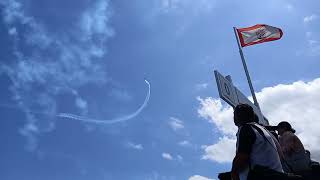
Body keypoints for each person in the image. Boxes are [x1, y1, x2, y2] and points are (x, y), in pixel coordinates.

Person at [231, 104, 284, 180]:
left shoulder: (246, 128)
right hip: (276, 174)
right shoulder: (264, 130)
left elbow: (242, 157)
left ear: (237, 117)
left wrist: (234, 173)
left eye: (235, 114)